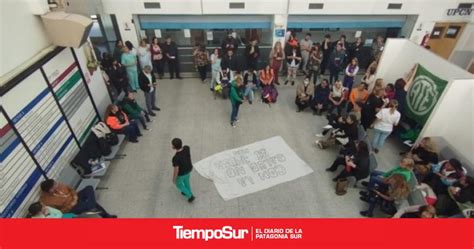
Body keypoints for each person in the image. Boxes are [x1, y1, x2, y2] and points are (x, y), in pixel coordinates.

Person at [40, 179, 116, 218]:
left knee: (89, 188)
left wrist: (75, 196)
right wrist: (70, 205)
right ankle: (106, 216)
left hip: (75, 197)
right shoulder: (47, 201)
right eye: (55, 186)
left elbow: (71, 189)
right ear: (50, 190)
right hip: (71, 208)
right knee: (91, 204)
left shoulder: (59, 185)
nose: (57, 185)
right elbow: (59, 213)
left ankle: (91, 205)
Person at [171, 138, 195, 203]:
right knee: (187, 182)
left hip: (182, 174)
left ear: (174, 147)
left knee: (179, 184)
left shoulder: (175, 158)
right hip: (189, 169)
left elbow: (176, 170)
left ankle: (190, 196)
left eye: (172, 145)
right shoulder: (187, 148)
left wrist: (174, 179)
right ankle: (186, 192)